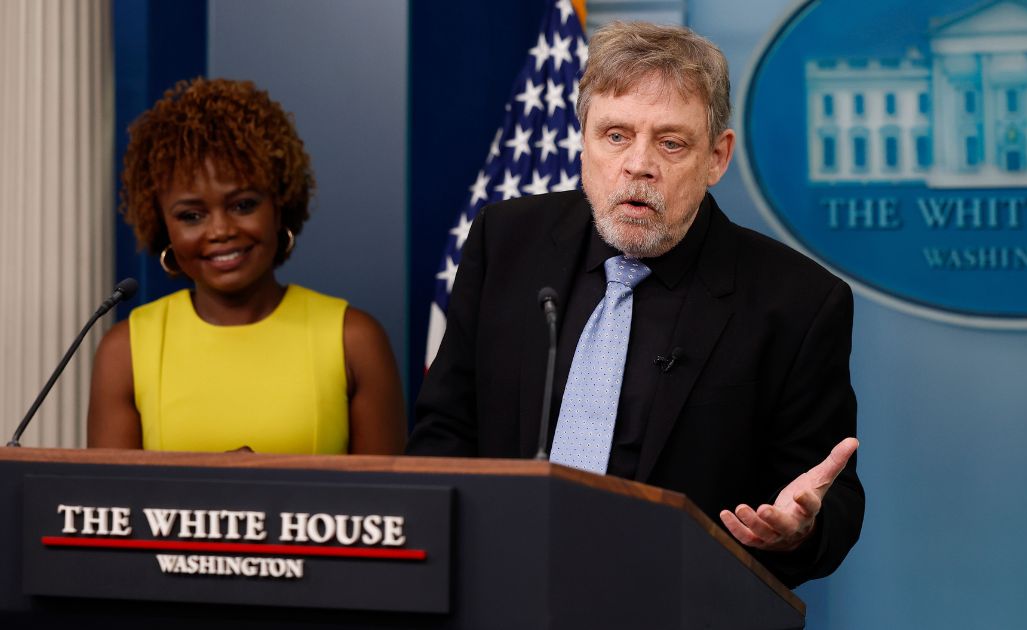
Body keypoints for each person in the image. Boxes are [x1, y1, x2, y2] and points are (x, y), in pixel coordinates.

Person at [408, 22, 863, 585]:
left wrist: (800, 531)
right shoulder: (506, 242)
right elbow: (444, 429)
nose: (638, 164)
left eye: (671, 143)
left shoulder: (797, 303)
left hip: (681, 602)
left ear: (717, 158)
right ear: (583, 138)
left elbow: (827, 493)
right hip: (503, 590)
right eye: (616, 135)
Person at [88, 78, 404, 455]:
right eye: (192, 215)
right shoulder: (125, 351)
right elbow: (110, 510)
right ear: (163, 227)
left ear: (280, 204)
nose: (221, 230)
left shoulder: (353, 339)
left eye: (243, 205)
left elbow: (389, 509)